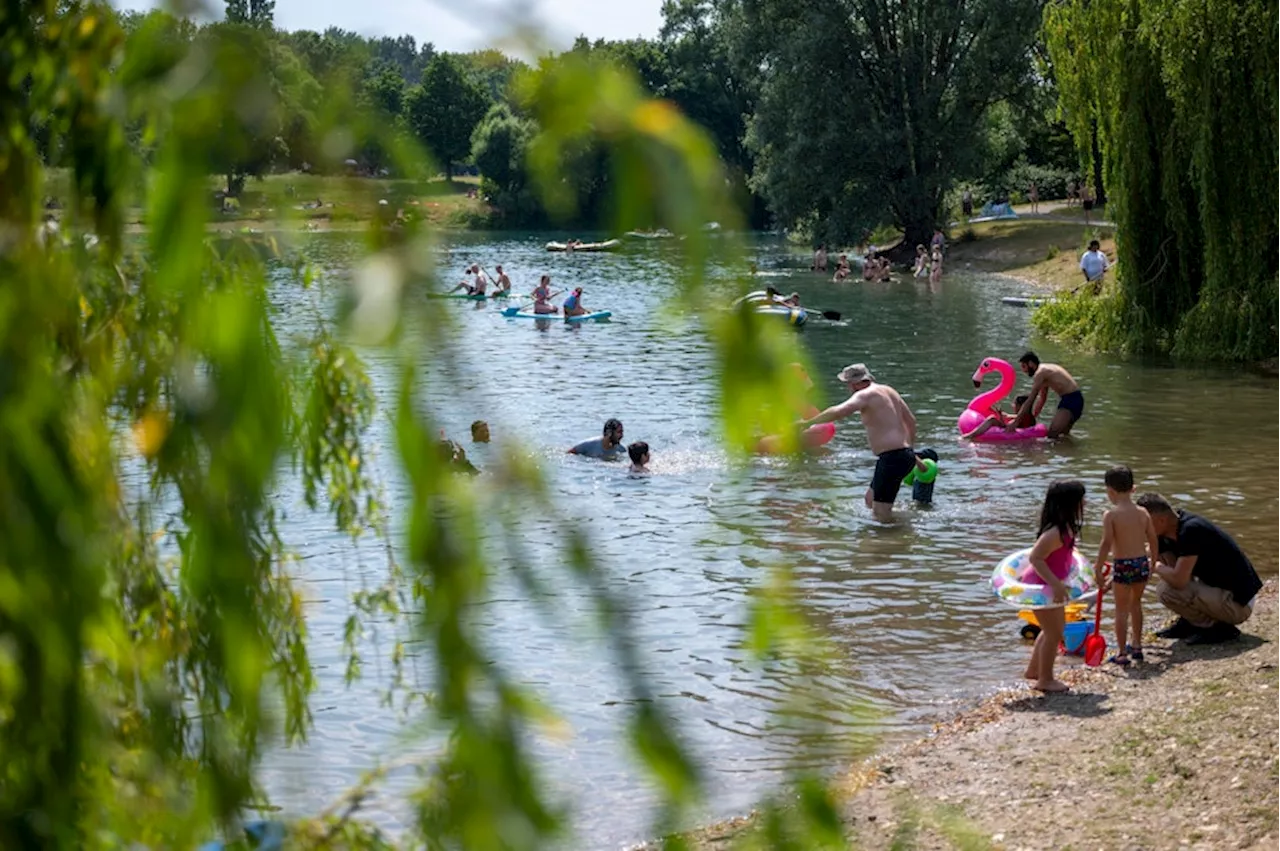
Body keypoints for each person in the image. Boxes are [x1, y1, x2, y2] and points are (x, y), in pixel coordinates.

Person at [797, 364, 924, 521]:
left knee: (881, 514)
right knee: (870, 501)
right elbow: (911, 420)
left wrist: (807, 423)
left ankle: (903, 532)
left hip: (892, 459)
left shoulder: (864, 395)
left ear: (855, 383)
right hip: (902, 455)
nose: (848, 388)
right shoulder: (889, 390)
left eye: (848, 384)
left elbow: (839, 411)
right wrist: (910, 448)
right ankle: (901, 527)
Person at [1136, 494, 1262, 644]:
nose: (1141, 528)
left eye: (1143, 523)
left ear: (1161, 520)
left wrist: (1153, 565)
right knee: (1168, 587)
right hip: (1217, 592)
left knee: (1166, 591)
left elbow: (1180, 581)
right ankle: (1192, 623)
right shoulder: (1165, 532)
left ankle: (1219, 629)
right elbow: (1171, 571)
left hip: (1239, 603)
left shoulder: (1191, 530)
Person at [1022, 480, 1086, 693]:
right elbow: (1035, 558)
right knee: (1053, 632)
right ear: (1070, 503)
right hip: (1041, 586)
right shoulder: (1054, 533)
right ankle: (1045, 680)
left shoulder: (1066, 528)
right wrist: (1056, 584)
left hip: (1051, 583)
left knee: (1052, 629)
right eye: (1081, 499)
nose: (1084, 503)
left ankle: (1034, 671)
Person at [1093, 466, 1159, 665]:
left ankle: (1122, 653)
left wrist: (1097, 568)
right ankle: (1137, 646)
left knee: (1120, 610)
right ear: (1133, 489)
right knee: (1136, 604)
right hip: (1140, 563)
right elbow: (1153, 539)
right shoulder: (1143, 512)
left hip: (1122, 565)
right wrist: (1153, 562)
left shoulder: (1111, 515)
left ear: (1110, 491)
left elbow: (1106, 543)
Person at [1008, 351, 1084, 439]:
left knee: (1052, 435)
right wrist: (1032, 419)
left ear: (1031, 363)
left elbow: (1031, 399)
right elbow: (1042, 399)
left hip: (1071, 400)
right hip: (1075, 400)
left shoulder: (1040, 372)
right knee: (1064, 436)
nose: (1024, 370)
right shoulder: (1046, 371)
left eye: (1024, 366)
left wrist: (1016, 422)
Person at [962, 394, 1035, 440]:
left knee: (992, 419)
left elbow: (1008, 428)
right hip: (1020, 431)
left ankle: (969, 436)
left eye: (1015, 404)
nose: (1013, 406)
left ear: (1021, 406)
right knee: (998, 417)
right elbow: (1008, 416)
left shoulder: (1021, 418)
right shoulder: (1029, 416)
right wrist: (1000, 414)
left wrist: (1000, 419)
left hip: (1013, 433)